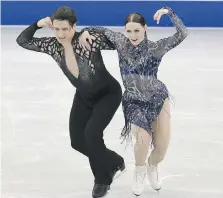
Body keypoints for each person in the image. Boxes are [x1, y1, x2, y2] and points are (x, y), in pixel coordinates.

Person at [16, 6, 126, 198]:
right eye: (57, 29)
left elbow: (118, 39)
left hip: (107, 94)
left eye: (65, 29)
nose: (60, 34)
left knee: (92, 134)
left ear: (73, 26)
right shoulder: (52, 45)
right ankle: (115, 161)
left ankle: (102, 180)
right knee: (77, 142)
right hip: (83, 96)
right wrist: (37, 25)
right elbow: (22, 41)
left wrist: (88, 31)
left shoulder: (88, 40)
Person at [79, 6, 188, 196]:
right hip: (133, 101)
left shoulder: (156, 48)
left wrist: (168, 12)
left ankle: (152, 166)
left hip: (158, 99)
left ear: (145, 28)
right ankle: (139, 171)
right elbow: (98, 29)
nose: (133, 34)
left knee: (160, 149)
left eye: (137, 30)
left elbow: (183, 33)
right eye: (129, 30)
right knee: (142, 141)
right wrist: (84, 32)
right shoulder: (120, 43)